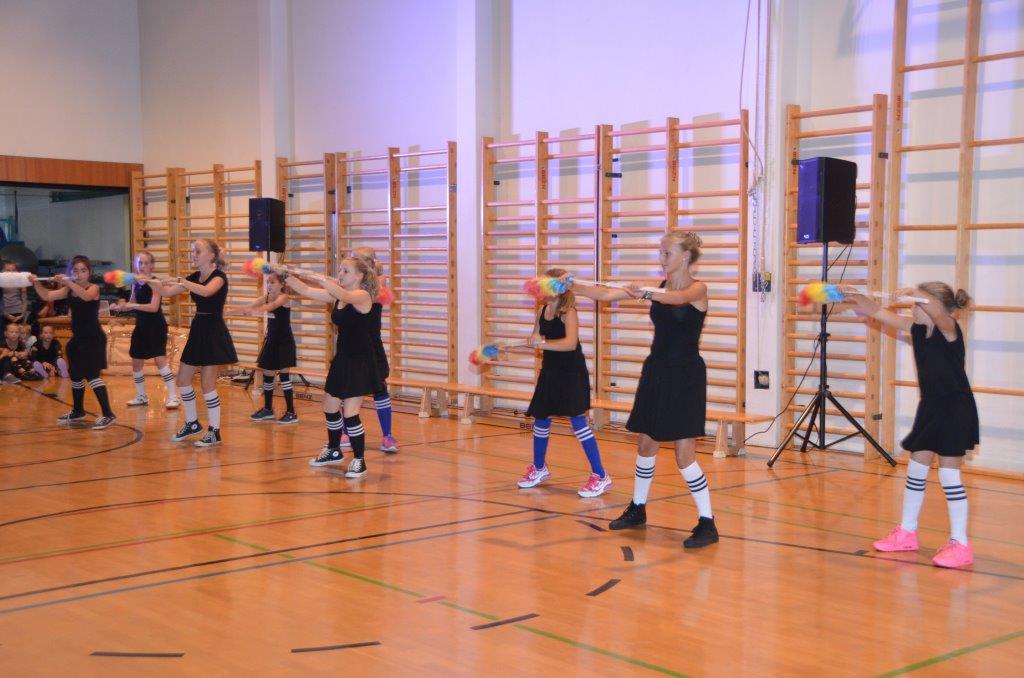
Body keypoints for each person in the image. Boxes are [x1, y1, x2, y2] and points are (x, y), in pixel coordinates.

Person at [572, 230, 718, 548]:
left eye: (667, 253)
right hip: (656, 371)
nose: (661, 258)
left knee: (684, 456)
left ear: (685, 257)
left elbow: (677, 299)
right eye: (660, 252)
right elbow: (606, 295)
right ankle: (637, 508)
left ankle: (707, 522)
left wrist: (646, 293)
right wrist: (571, 285)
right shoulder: (658, 287)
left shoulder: (698, 289)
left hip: (685, 376)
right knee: (646, 443)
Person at [844, 282, 979, 568]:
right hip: (930, 408)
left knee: (949, 476)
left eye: (918, 304)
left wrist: (914, 294)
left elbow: (938, 311)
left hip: (955, 409)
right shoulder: (917, 329)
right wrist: (854, 295)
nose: (912, 308)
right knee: (916, 470)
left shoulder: (949, 329)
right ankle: (907, 533)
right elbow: (876, 311)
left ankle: (961, 544)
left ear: (935, 307)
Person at [284, 257, 383, 478]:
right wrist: (285, 275)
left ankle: (359, 460)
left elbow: (343, 294)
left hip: (360, 361)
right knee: (330, 407)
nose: (340, 274)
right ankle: (334, 450)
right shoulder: (338, 296)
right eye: (340, 270)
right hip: (343, 359)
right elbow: (306, 290)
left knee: (350, 413)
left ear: (359, 276)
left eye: (345, 271)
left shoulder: (362, 296)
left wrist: (315, 276)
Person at [517, 267, 611, 497]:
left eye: (544, 285)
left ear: (555, 288)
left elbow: (570, 344)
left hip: (571, 372)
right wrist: (533, 339)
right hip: (549, 371)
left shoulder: (568, 311)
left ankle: (601, 475)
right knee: (541, 418)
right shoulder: (542, 310)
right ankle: (539, 468)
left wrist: (541, 343)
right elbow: (538, 336)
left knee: (578, 422)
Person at [147, 239, 237, 447]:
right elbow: (166, 292)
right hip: (198, 330)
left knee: (207, 384)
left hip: (213, 332)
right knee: (182, 380)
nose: (192, 254)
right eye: (192, 251)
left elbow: (206, 291)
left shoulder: (219, 277)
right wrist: (148, 279)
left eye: (197, 251)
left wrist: (181, 281)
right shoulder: (194, 277)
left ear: (211, 256)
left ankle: (214, 432)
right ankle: (192, 423)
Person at [30, 256, 117, 429]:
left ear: (89, 272)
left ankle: (108, 414)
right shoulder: (69, 289)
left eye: (83, 270)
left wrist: (68, 282)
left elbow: (86, 297)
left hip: (93, 339)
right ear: (71, 271)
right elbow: (47, 295)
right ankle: (78, 411)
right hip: (78, 339)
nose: (79, 273)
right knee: (76, 375)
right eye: (75, 270)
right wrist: (35, 283)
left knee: (92, 375)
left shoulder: (93, 288)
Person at [113, 251, 179, 409]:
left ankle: (174, 396)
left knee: (160, 360)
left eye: (146, 263)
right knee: (136, 362)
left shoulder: (155, 282)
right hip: (141, 325)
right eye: (139, 263)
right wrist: (121, 307)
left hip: (156, 326)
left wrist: (133, 305)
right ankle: (141, 396)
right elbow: (131, 302)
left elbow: (153, 307)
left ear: (152, 265)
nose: (142, 266)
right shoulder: (135, 283)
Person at [237, 271, 298, 425]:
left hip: (284, 343)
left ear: (282, 284)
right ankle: (268, 409)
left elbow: (273, 306)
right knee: (268, 374)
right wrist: (231, 311)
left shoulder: (284, 297)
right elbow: (250, 306)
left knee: (284, 376)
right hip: (271, 342)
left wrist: (256, 311)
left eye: (272, 282)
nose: (269, 285)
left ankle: (291, 412)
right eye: (267, 282)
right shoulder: (265, 297)